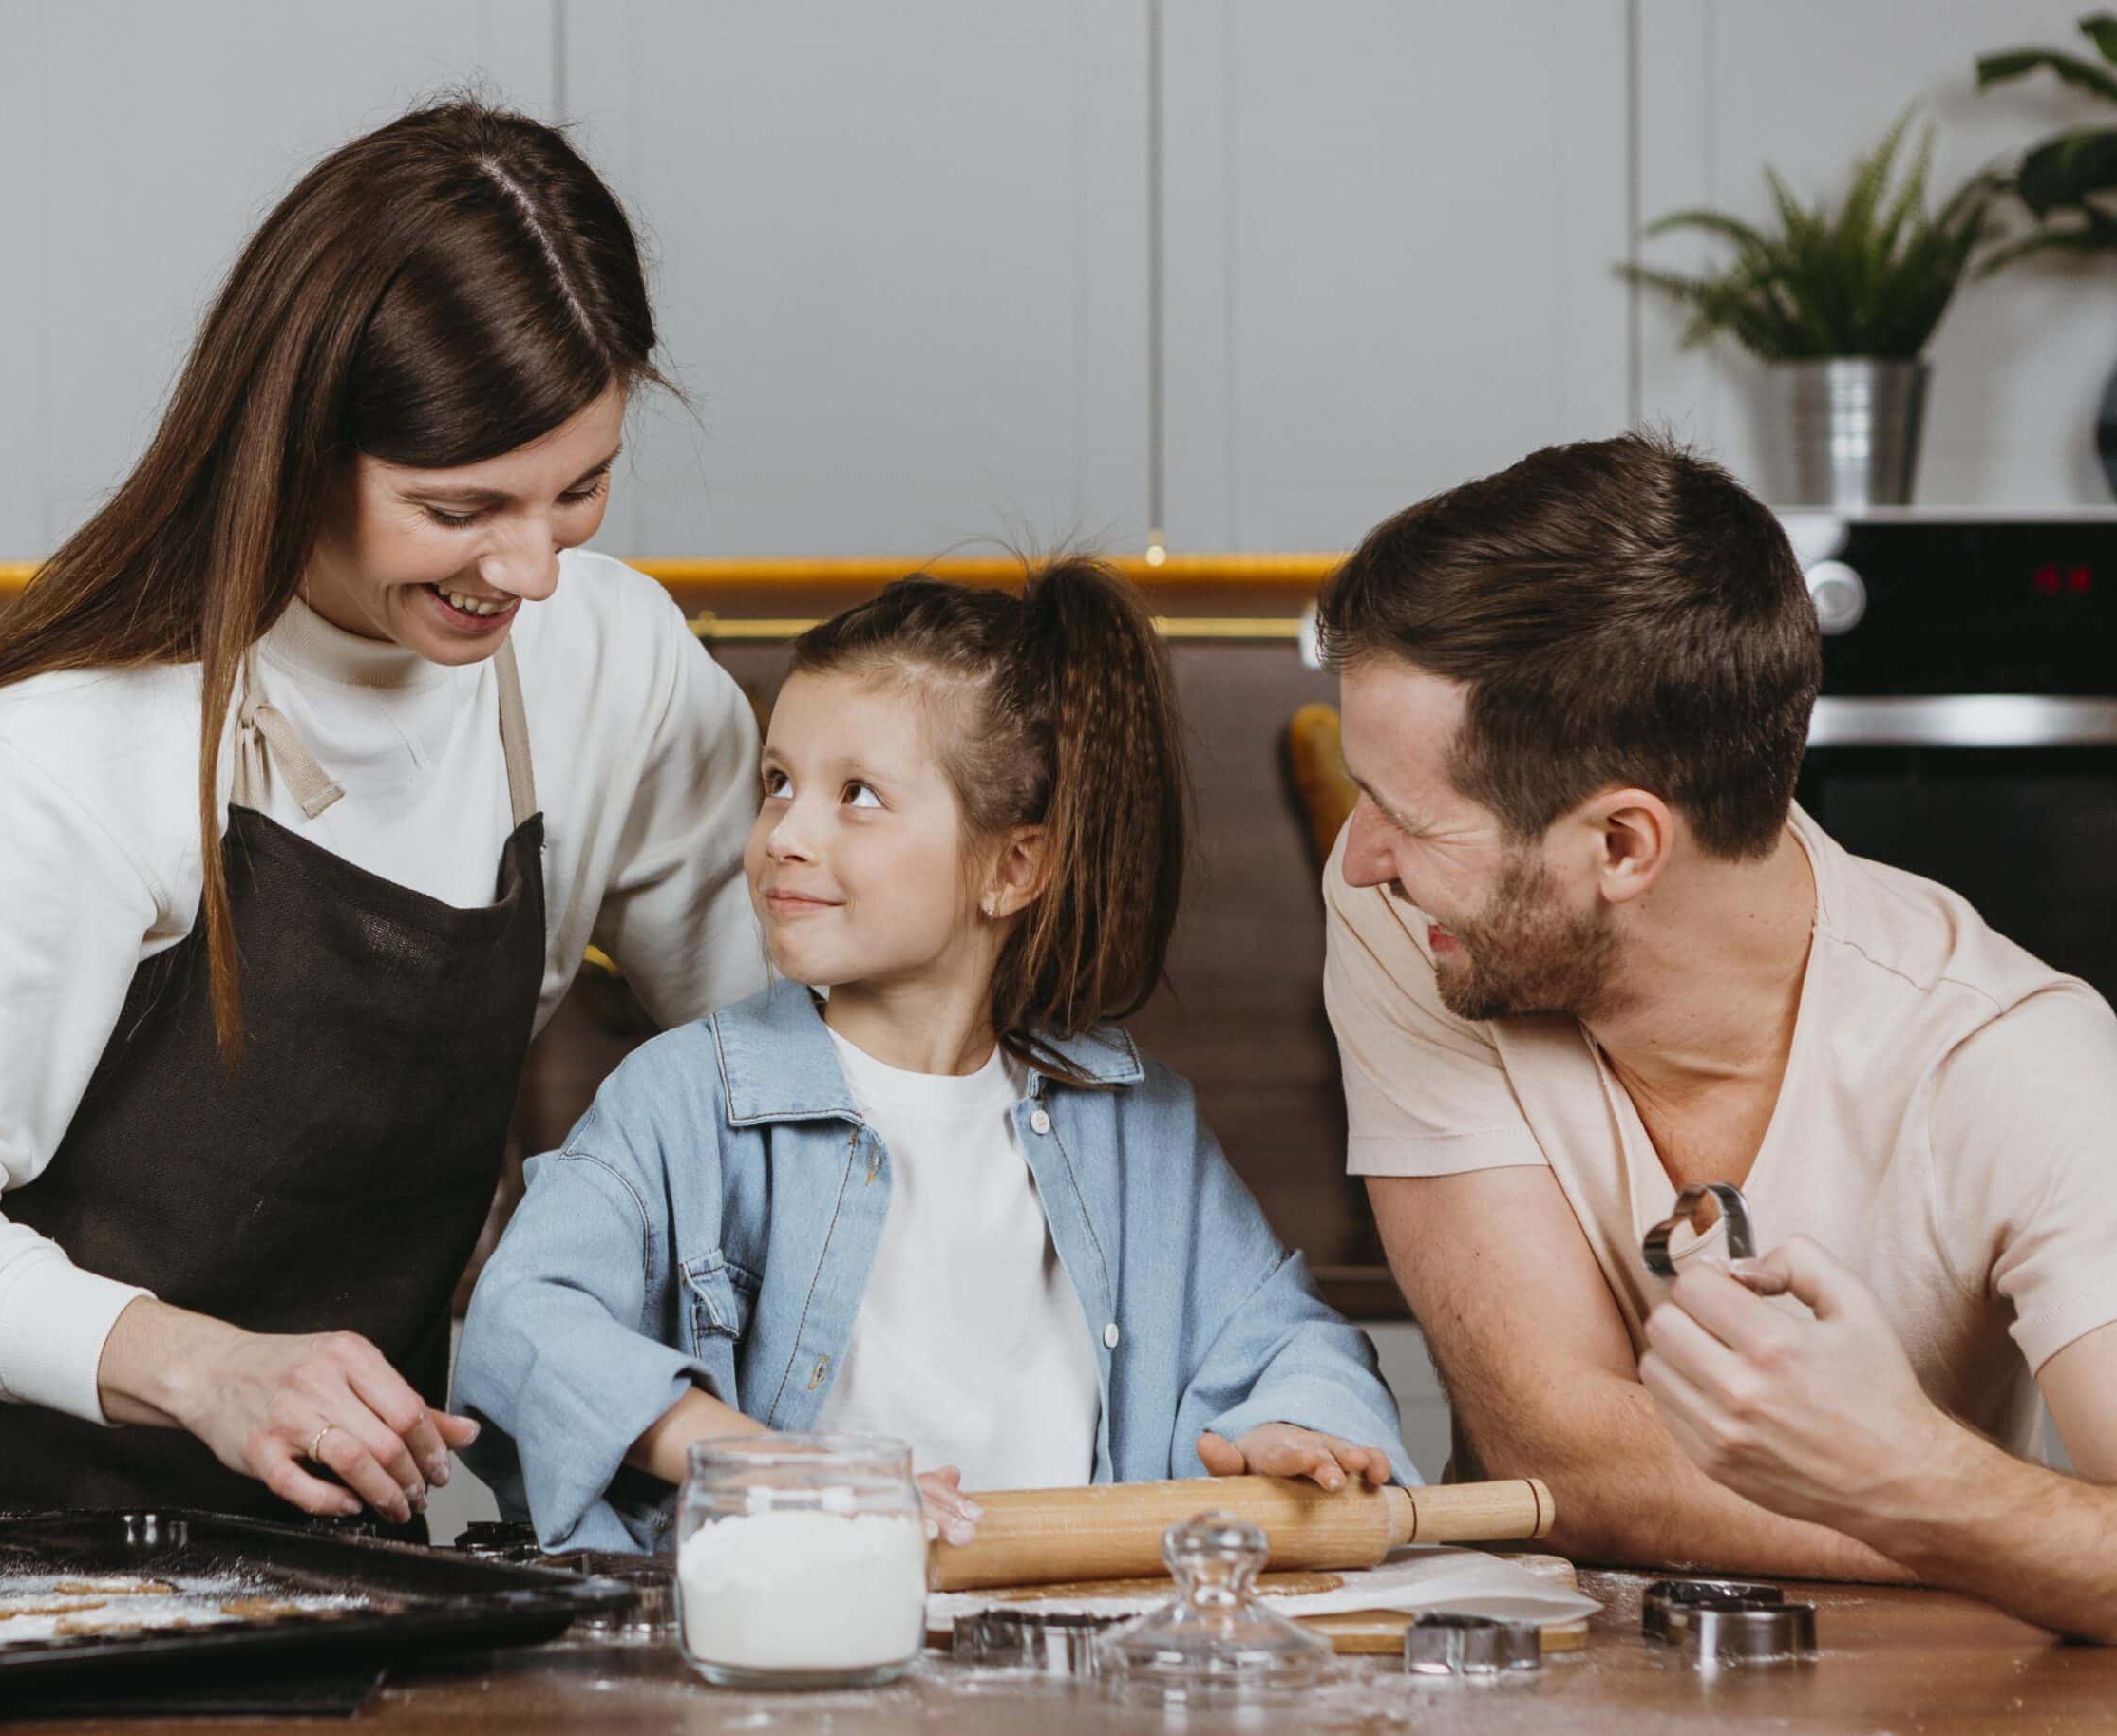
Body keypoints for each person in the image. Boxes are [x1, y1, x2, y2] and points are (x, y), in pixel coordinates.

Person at [0, 101, 769, 1534]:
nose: (532, 568)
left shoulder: (613, 665)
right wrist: (206, 1370)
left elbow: (778, 1065)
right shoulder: (69, 747)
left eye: (582, 488)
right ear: (295, 449)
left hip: (322, 1576)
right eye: (461, 507)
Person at [1318, 432, 2117, 1642]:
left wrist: (1914, 1480)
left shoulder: (2013, 1057)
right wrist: (1961, 1512)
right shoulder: (1415, 921)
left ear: (1622, 846)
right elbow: (1559, 1451)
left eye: (1410, 817)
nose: (1365, 851)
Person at [452, 559, 1419, 1551]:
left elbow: (1295, 1341)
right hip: (794, 1663)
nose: (785, 832)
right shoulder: (681, 1100)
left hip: (1069, 1671)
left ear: (1014, 866)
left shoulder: (1139, 1126)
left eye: (857, 795)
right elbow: (521, 1324)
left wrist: (1296, 1429)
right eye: (777, 783)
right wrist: (754, 1459)